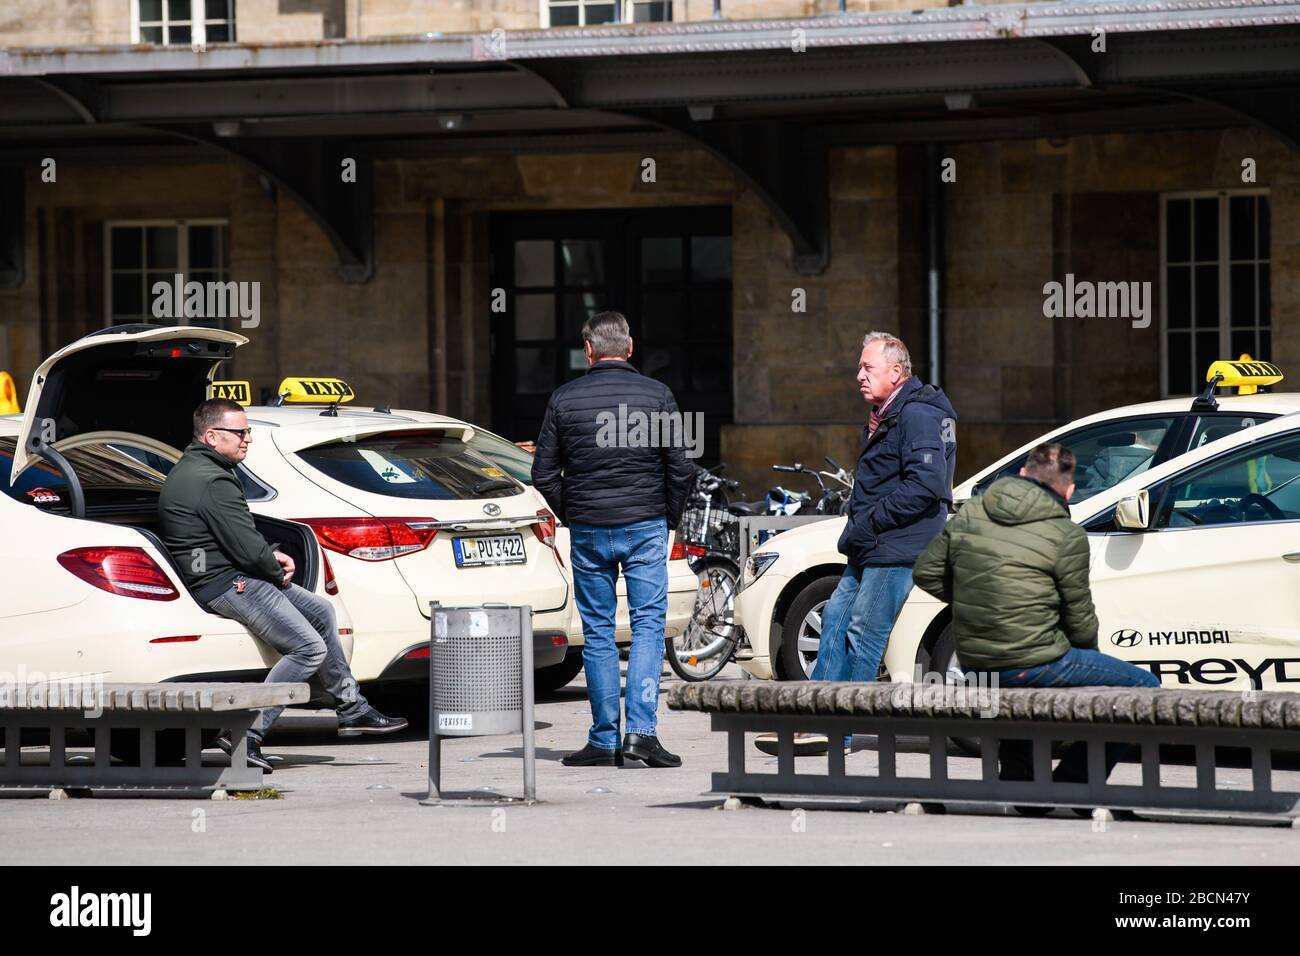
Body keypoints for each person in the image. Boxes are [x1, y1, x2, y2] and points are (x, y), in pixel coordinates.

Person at [159, 399, 407, 772]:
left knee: (322, 610)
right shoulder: (212, 478)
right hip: (226, 583)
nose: (247, 440)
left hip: (233, 574)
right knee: (308, 648)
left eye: (248, 432)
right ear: (212, 436)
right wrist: (273, 568)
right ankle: (248, 733)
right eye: (240, 433)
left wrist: (270, 555)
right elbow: (243, 545)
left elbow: (236, 537)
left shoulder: (201, 468)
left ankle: (352, 709)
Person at [912, 441, 1160, 795]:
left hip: (974, 659)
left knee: (1022, 681)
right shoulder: (1066, 534)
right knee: (1144, 688)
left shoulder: (973, 513)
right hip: (1034, 658)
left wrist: (977, 600)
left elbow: (925, 572)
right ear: (1069, 491)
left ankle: (1022, 783)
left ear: (1024, 473)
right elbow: (1080, 618)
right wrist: (1084, 656)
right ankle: (1076, 780)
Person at [757, 331, 956, 756]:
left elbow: (927, 485)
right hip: (872, 544)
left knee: (864, 632)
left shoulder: (918, 415)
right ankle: (815, 720)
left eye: (868, 367)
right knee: (834, 623)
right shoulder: (888, 414)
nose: (858, 375)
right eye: (860, 367)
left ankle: (840, 730)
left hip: (896, 546)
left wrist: (870, 522)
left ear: (896, 372)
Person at [532, 311, 694, 768]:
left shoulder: (564, 399)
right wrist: (668, 517)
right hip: (644, 524)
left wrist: (574, 511)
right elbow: (680, 467)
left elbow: (542, 472)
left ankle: (604, 738)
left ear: (588, 349)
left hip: (588, 530)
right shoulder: (657, 396)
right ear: (630, 347)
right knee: (646, 625)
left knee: (599, 631)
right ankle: (641, 736)